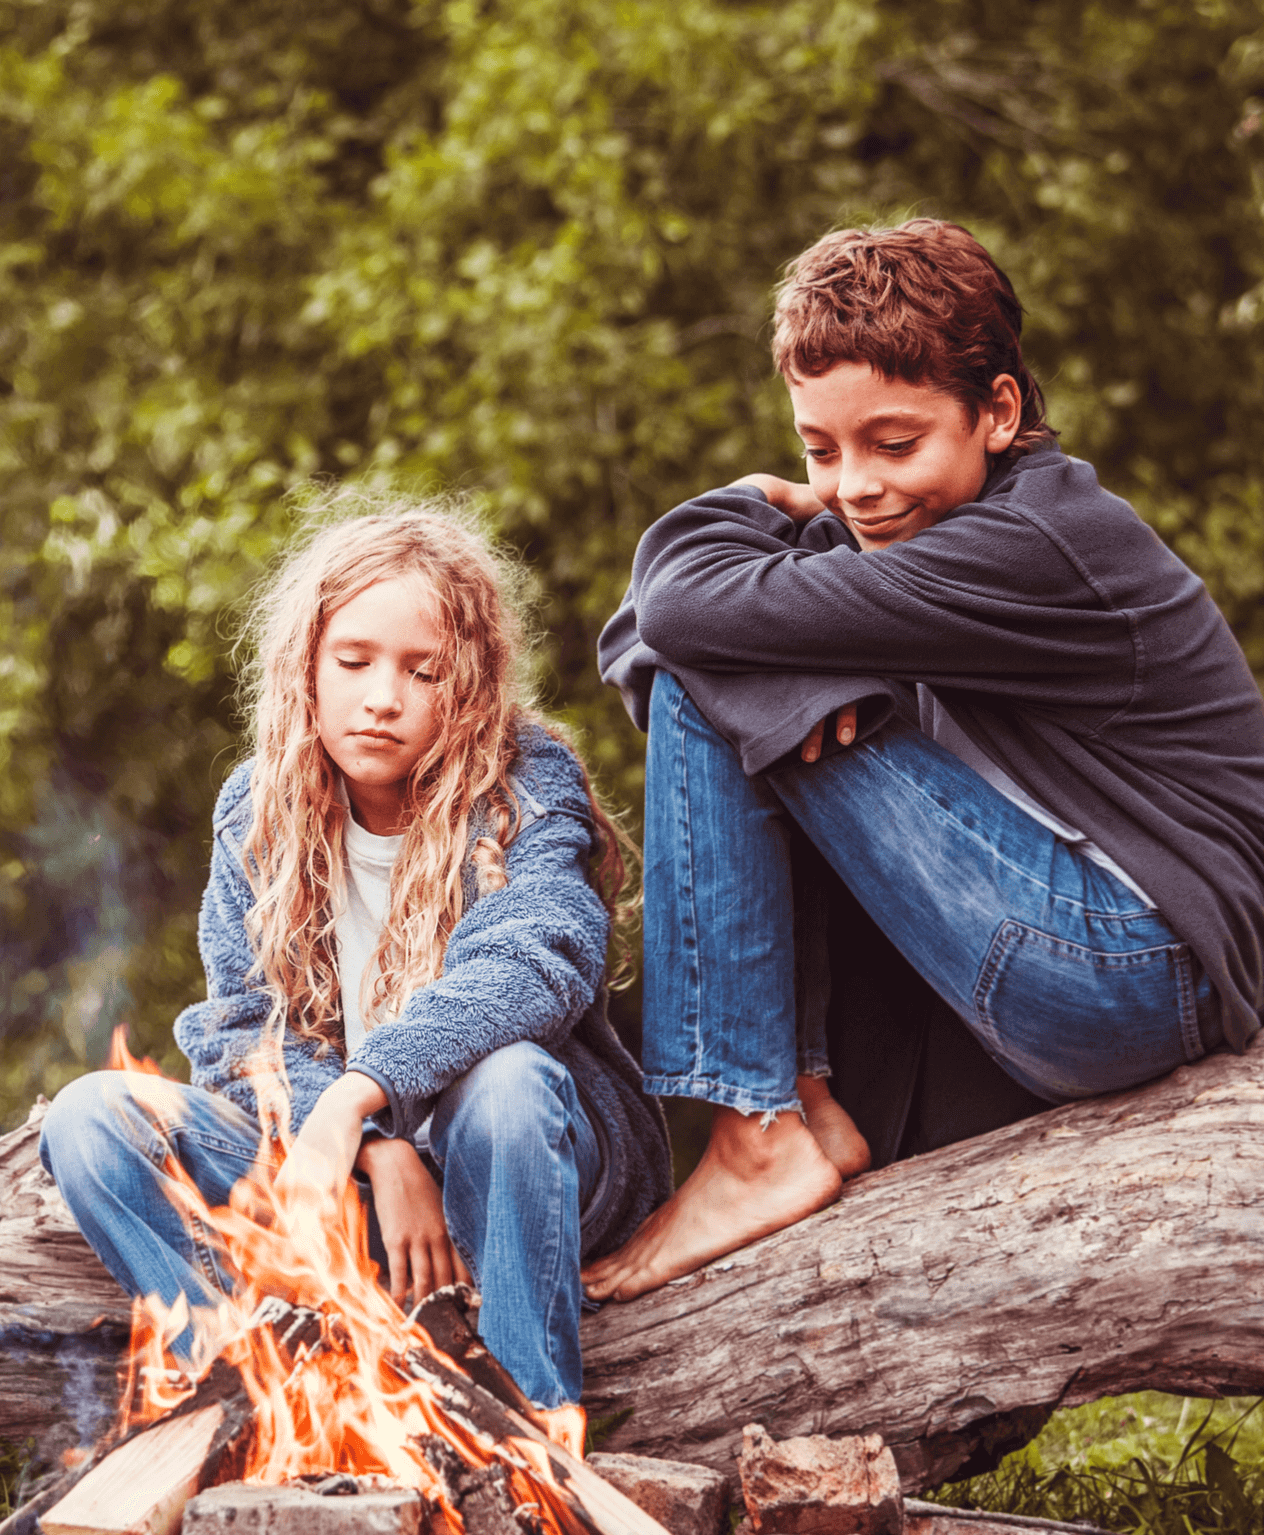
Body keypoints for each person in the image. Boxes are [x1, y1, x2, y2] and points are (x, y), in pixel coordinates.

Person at [582, 218, 1264, 1304]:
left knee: (723, 679)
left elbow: (674, 615)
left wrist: (747, 510)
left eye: (893, 444)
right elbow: (648, 635)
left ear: (996, 411)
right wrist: (778, 673)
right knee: (727, 670)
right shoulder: (902, 529)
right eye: (818, 451)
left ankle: (759, 1128)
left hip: (1129, 966)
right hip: (1054, 965)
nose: (854, 487)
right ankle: (792, 1105)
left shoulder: (1039, 541)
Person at [40, 501, 671, 1425]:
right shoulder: (258, 807)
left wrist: (359, 1096)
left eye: (425, 673)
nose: (383, 697)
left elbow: (538, 960)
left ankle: (529, 1432)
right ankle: (249, 1400)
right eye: (355, 662)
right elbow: (242, 1028)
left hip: (520, 1169)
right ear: (306, 666)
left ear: (473, 689)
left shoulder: (524, 784)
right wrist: (376, 1154)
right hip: (342, 1186)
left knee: (504, 1078)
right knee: (95, 1117)